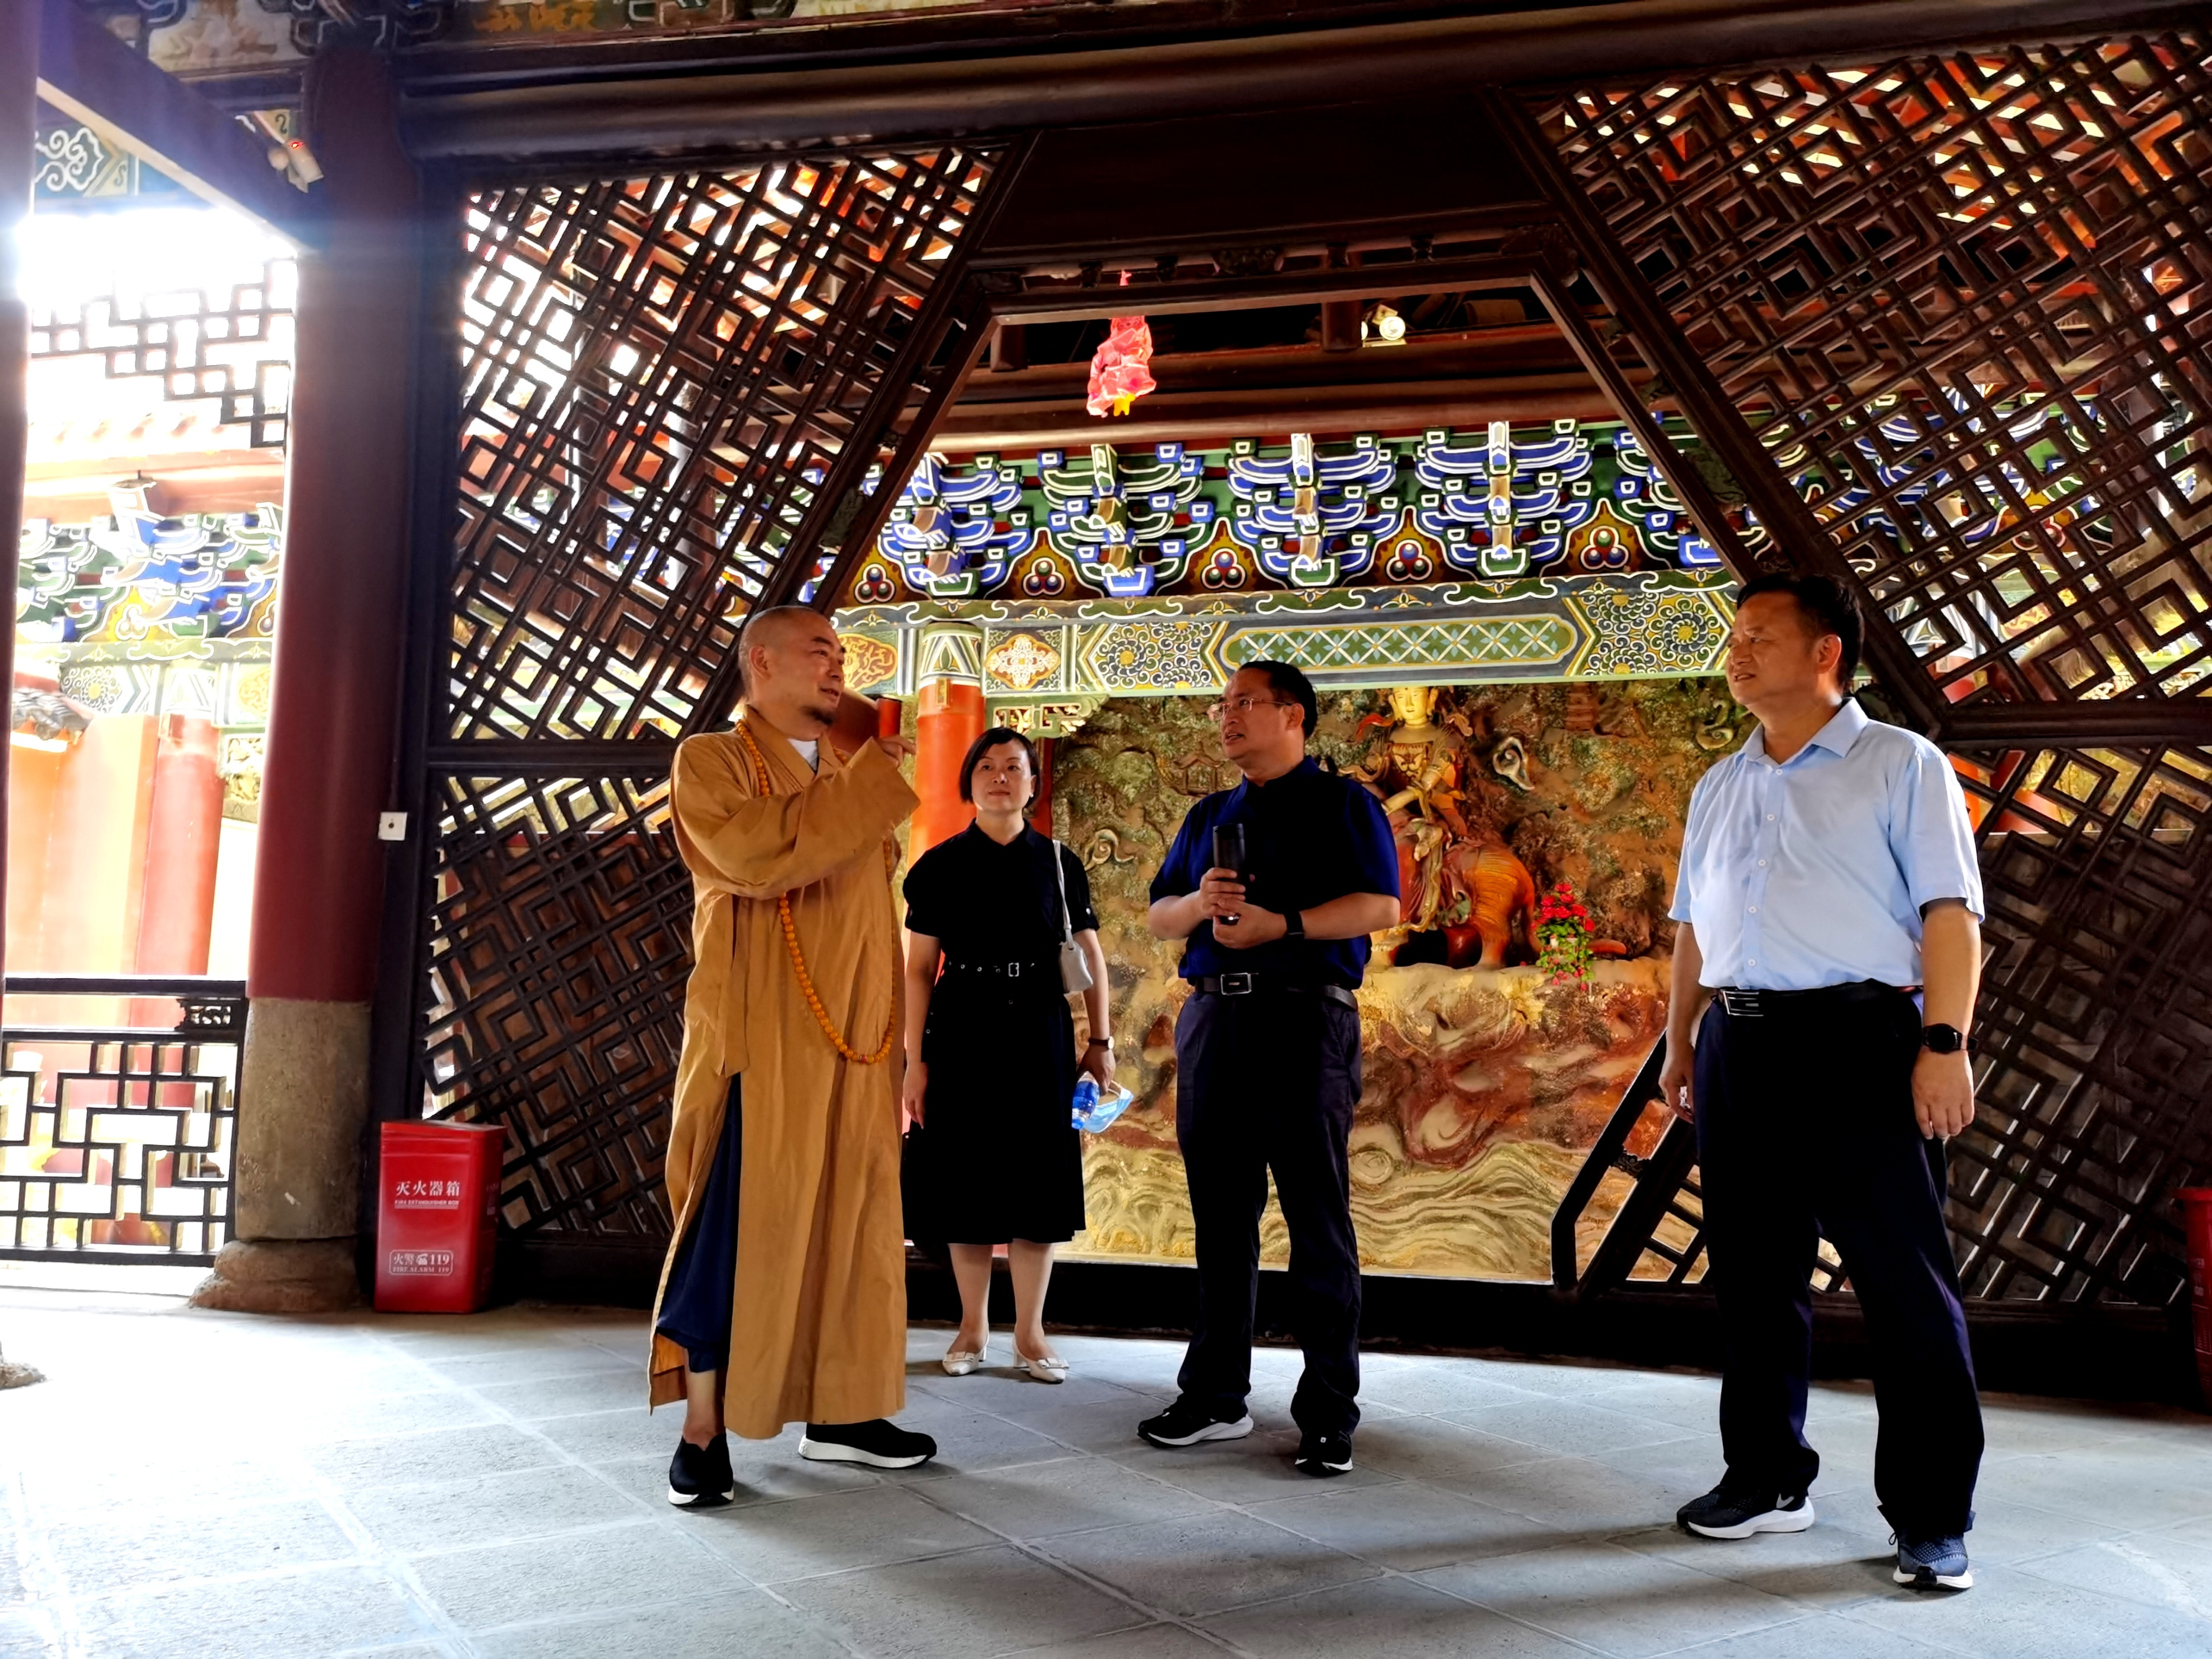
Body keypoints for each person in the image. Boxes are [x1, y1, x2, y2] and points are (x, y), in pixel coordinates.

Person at [1656, 573, 1986, 1592]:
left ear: (1823, 655)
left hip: (1860, 1041)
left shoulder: (1898, 763)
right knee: (1752, 1276)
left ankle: (1930, 1515)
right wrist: (1677, 1046)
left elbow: (1948, 911)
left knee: (1901, 1284)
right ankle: (1764, 1477)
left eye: (1757, 634)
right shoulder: (1720, 781)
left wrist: (1942, 1039)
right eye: (1733, 635)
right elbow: (1691, 933)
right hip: (1737, 1046)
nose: (1736, 650)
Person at [648, 603, 938, 1506]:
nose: (834, 667)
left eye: (841, 655)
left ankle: (843, 1412)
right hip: (761, 1042)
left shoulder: (847, 775)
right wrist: (864, 787)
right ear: (761, 662)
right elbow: (756, 857)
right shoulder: (712, 762)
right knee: (736, 1228)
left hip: (852, 1045)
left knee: (852, 1231)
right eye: (818, 651)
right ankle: (703, 1429)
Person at [1138, 661, 1400, 1477]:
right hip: (1213, 1017)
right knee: (1220, 1216)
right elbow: (1158, 915)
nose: (1228, 717)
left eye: (1244, 703)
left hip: (1303, 1017)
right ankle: (1215, 1396)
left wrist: (1279, 925)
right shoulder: (1209, 814)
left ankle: (1327, 1413)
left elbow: (1381, 908)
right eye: (1222, 706)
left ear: (1293, 715)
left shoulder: (1344, 804)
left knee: (1316, 1219)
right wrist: (1200, 904)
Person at [900, 727, 1115, 1382]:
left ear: (1031, 783)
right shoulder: (938, 865)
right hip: (961, 1025)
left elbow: (1091, 956)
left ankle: (1030, 1331)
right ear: (969, 782)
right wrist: (915, 1060)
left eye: (1013, 767)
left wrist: (1099, 1041)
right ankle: (971, 1325)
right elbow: (917, 969)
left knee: (1036, 1182)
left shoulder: (1057, 861)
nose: (1000, 776)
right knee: (965, 1181)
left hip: (1039, 1031)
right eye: (986, 766)